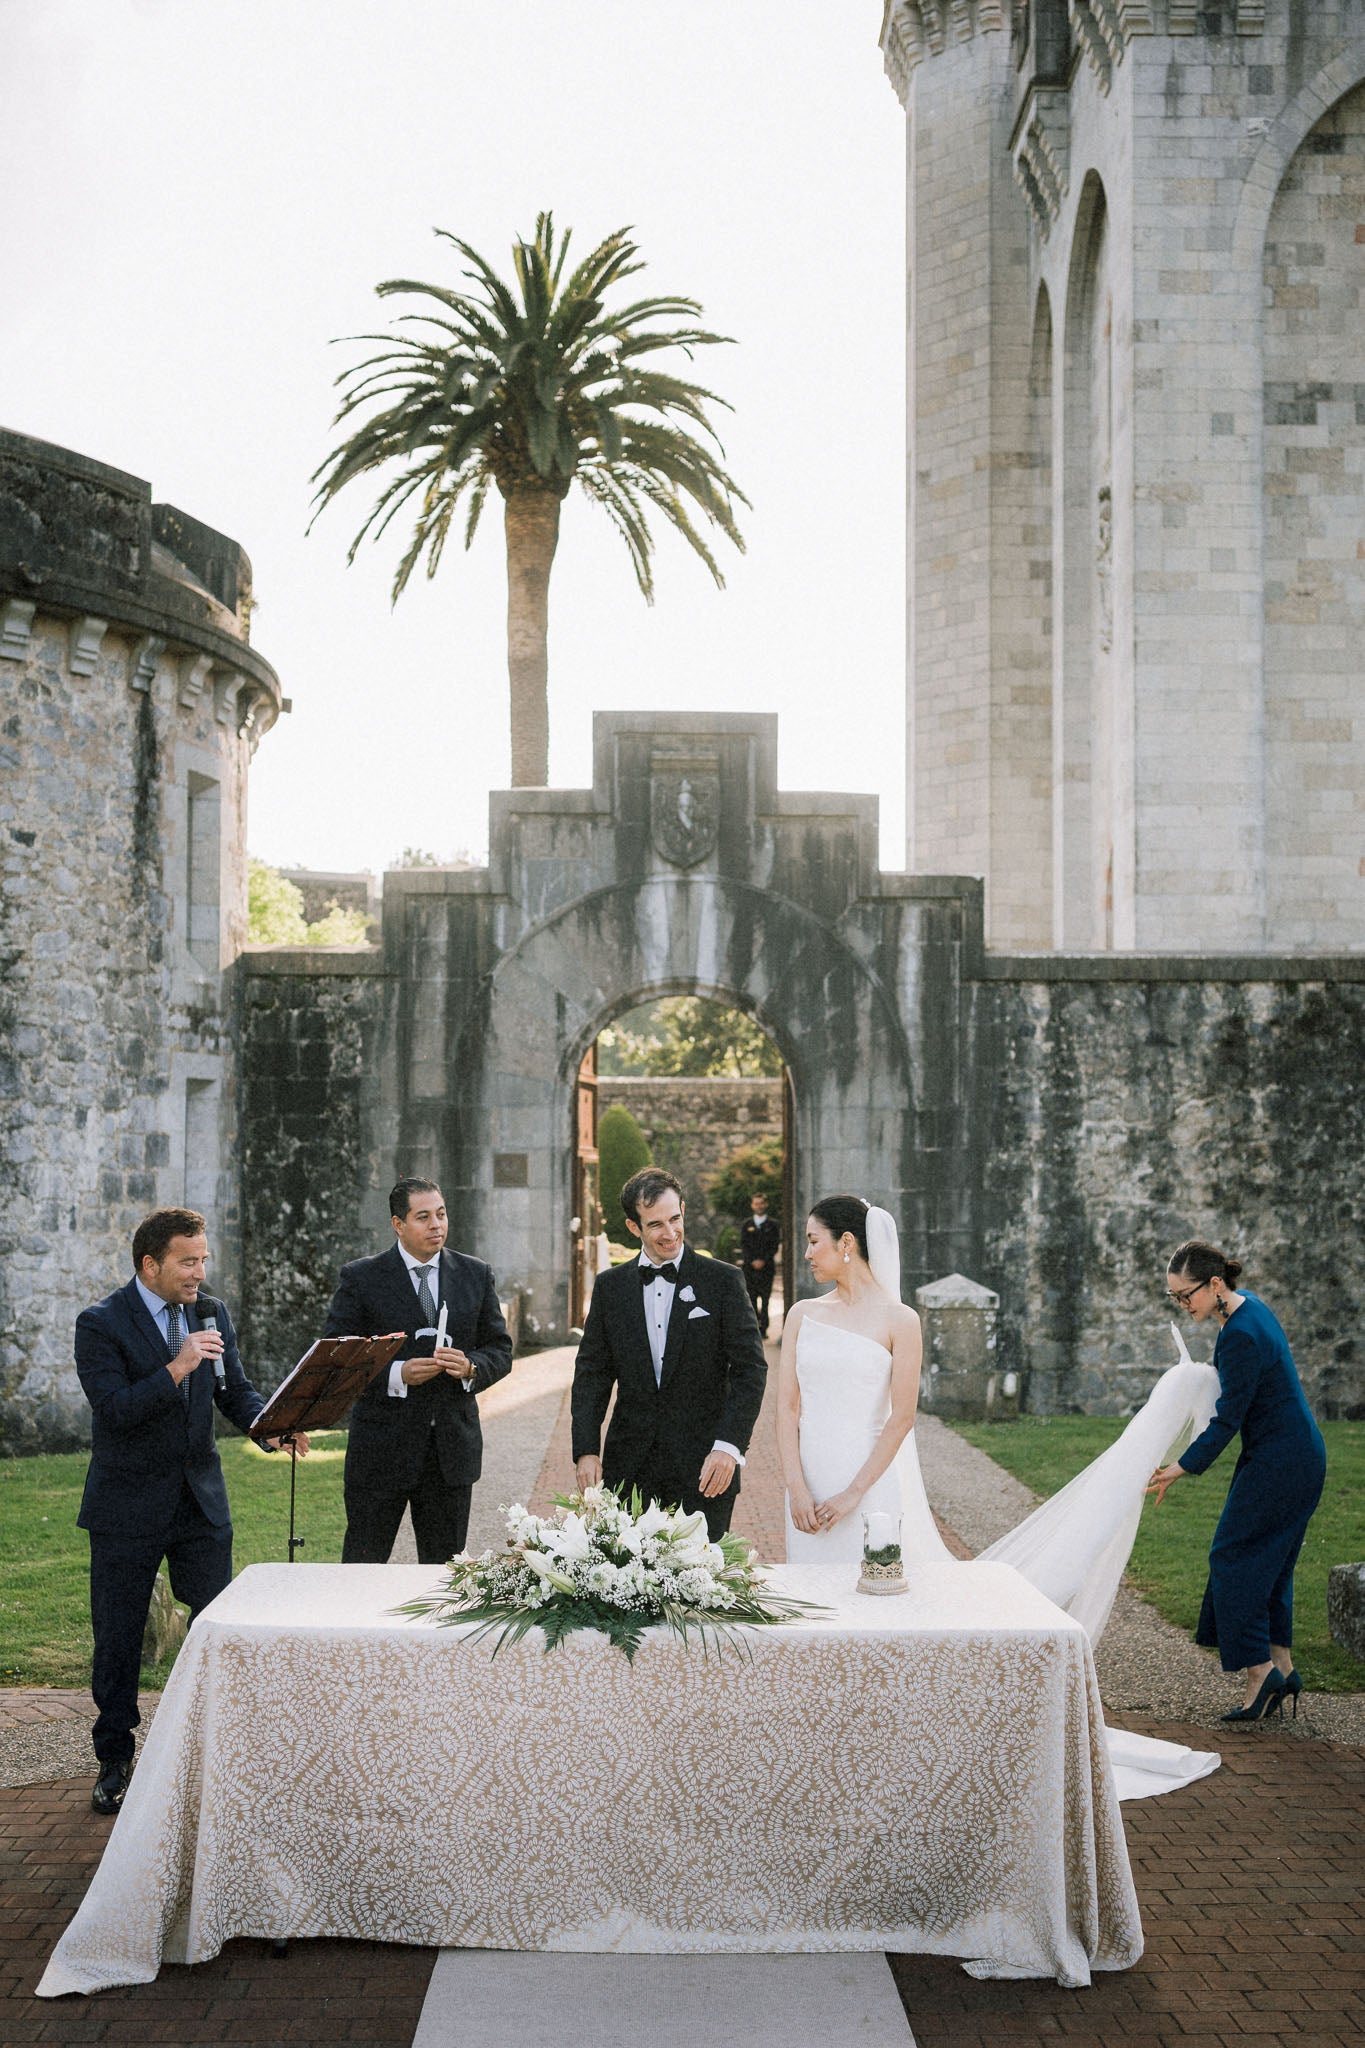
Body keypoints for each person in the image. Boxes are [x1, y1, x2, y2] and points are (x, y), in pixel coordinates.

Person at [75, 1207, 305, 1816]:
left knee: (217, 1627)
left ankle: (217, 1751)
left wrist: (269, 1428)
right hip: (126, 1504)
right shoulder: (100, 1323)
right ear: (150, 1264)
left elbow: (234, 1389)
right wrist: (176, 1367)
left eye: (203, 1259)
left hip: (199, 1502)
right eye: (188, 1260)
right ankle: (114, 1760)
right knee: (119, 1637)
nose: (200, 1271)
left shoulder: (211, 1313)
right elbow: (112, 1408)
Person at [1147, 1240, 1327, 1722]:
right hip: (1297, 1455)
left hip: (1280, 1461)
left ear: (1215, 1284)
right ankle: (1283, 1668)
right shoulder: (1251, 1313)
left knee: (1233, 1556)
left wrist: (1181, 1466)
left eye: (1187, 1295)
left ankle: (1259, 1672)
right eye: (1175, 1298)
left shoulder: (1240, 1334)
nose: (1183, 1306)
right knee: (1271, 1564)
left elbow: (1229, 1418)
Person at [571, 1167, 768, 1540]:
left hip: (706, 1466)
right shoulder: (610, 1287)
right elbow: (592, 1373)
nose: (671, 1232)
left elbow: (750, 1370)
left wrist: (729, 1447)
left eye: (675, 1218)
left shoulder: (723, 1280)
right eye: (656, 1224)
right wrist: (585, 1450)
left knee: (703, 1585)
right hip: (629, 1467)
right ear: (634, 1228)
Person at [326, 1177, 512, 1564]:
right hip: (380, 1454)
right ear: (398, 1224)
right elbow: (338, 1358)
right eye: (423, 1217)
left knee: (444, 1579)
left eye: (441, 1214)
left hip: (450, 1454)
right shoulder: (361, 1278)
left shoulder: (476, 1274)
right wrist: (397, 1374)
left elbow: (500, 1348)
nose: (436, 1225)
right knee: (361, 1571)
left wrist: (471, 1366)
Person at [778, 1195, 934, 1563]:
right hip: (809, 1487)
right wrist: (796, 1489)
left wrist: (853, 1493)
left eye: (814, 1241)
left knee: (873, 1596)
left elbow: (902, 1419)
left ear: (846, 1242)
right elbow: (786, 1408)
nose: (807, 1253)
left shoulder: (902, 1321)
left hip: (869, 1486)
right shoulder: (801, 1315)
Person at [739, 1192, 781, 1338]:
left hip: (767, 1267)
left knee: (765, 1299)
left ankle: (764, 1328)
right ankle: (753, 1327)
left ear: (766, 1204)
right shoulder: (746, 1225)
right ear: (752, 1205)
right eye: (756, 1203)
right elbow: (744, 1245)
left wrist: (763, 1260)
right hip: (749, 1268)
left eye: (761, 1203)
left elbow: (774, 1245)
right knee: (751, 1298)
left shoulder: (773, 1225)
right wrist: (752, 1261)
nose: (759, 1206)